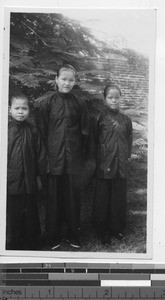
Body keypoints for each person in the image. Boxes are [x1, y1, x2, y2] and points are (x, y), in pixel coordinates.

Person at [35, 64, 89, 250]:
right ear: (56, 79)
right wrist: (45, 161)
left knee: (73, 198)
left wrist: (83, 160)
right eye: (63, 79)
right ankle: (54, 236)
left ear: (75, 81)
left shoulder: (80, 103)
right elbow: (41, 133)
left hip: (73, 159)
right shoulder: (46, 103)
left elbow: (85, 132)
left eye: (71, 80)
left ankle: (74, 234)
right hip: (53, 159)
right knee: (54, 199)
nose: (67, 83)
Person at [92, 84, 132, 245]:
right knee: (103, 199)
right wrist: (98, 161)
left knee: (118, 198)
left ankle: (117, 228)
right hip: (105, 165)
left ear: (120, 98)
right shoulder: (99, 117)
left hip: (121, 165)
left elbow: (128, 140)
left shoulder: (126, 119)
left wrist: (126, 158)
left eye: (117, 97)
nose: (114, 100)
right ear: (105, 99)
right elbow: (94, 141)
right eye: (110, 97)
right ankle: (103, 230)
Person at [6, 94, 46, 250]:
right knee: (13, 212)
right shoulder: (5, 130)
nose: (20, 112)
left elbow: (40, 156)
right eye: (17, 108)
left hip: (29, 180)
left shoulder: (33, 131)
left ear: (29, 111)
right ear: (10, 110)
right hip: (11, 180)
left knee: (29, 211)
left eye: (24, 108)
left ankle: (31, 241)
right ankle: (12, 241)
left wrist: (39, 177)